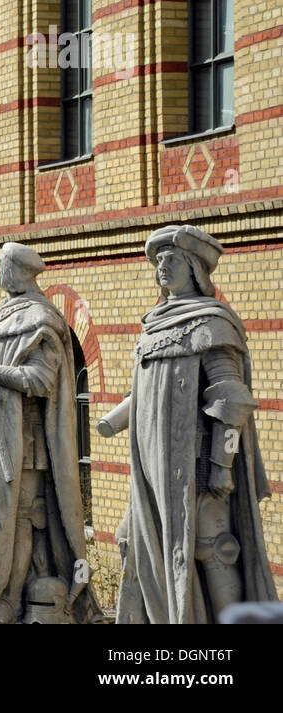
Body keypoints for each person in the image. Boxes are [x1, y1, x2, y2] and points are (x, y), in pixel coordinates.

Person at [107, 225, 276, 623]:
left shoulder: (211, 322)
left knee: (213, 549)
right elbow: (145, 391)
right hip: (151, 470)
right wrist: (113, 421)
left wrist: (221, 466)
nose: (162, 266)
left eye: (172, 259)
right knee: (133, 539)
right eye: (158, 260)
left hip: (197, 466)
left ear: (195, 268)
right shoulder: (153, 327)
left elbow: (230, 401)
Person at [0, 243, 101, 624]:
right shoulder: (1, 315)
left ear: (15, 269)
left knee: (16, 519)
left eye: (0, 263)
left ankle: (7, 600)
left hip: (25, 444)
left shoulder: (41, 318)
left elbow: (41, 381)